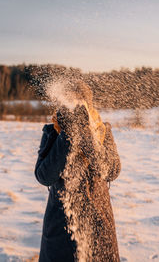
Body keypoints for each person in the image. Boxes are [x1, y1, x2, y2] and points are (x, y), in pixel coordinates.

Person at [34, 82, 121, 262]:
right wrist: (68, 136)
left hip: (98, 220)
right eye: (70, 102)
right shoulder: (53, 132)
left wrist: (85, 135)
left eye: (79, 102)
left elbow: (111, 170)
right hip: (61, 224)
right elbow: (44, 176)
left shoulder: (102, 131)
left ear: (88, 105)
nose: (74, 107)